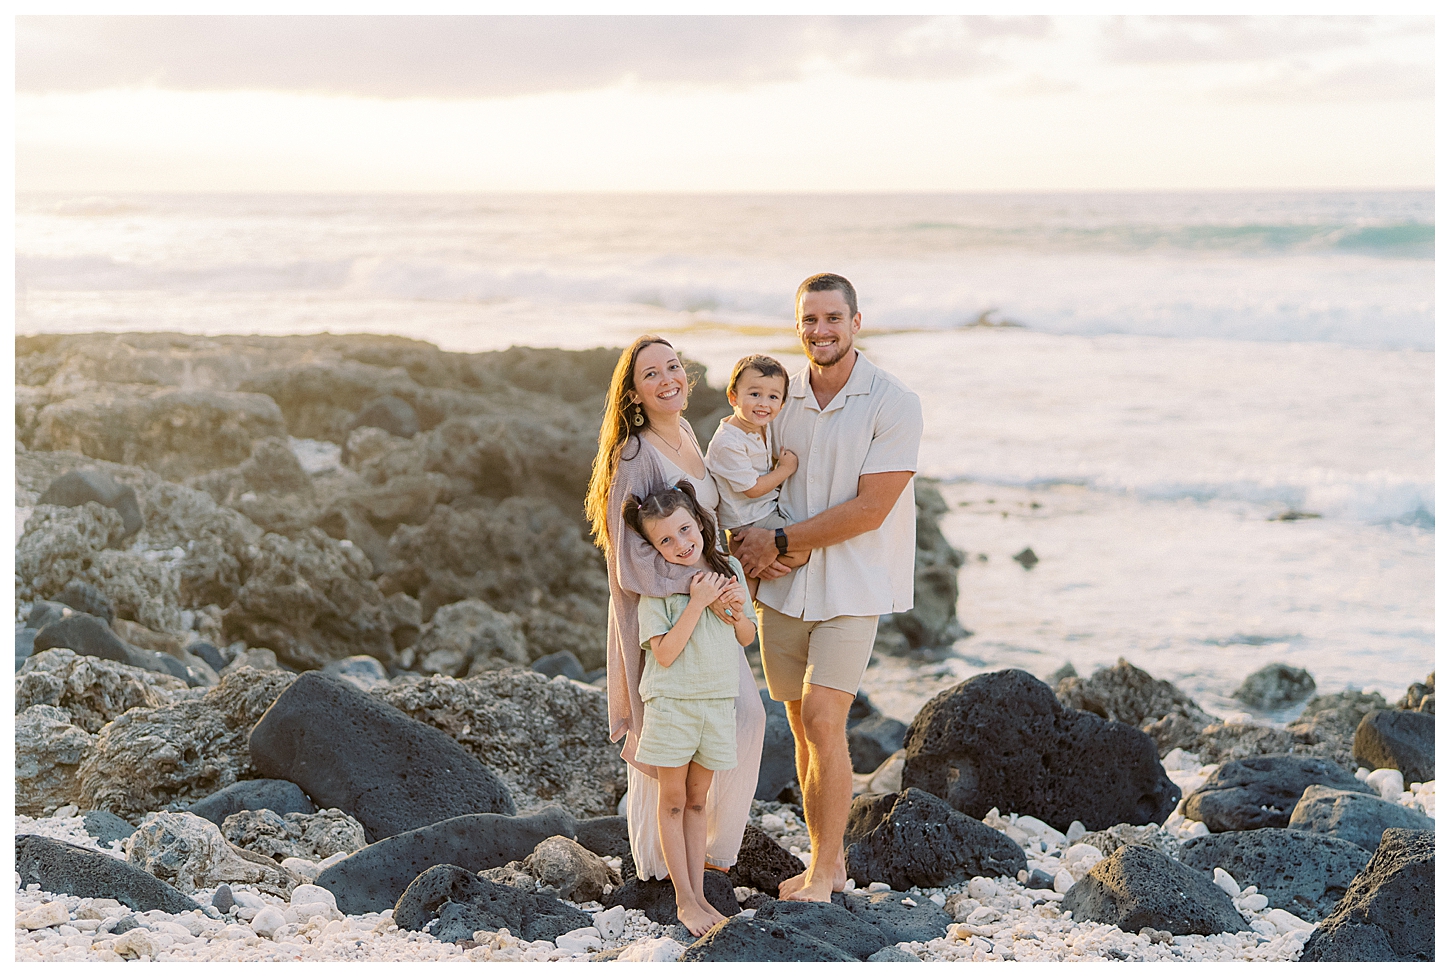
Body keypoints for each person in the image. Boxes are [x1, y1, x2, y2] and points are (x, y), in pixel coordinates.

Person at [733, 273, 923, 903]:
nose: (820, 331)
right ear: (798, 325)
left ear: (856, 321)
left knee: (823, 719)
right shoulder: (775, 401)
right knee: (801, 725)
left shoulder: (892, 402)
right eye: (809, 320)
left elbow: (872, 509)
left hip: (851, 587)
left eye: (832, 319)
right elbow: (744, 481)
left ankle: (822, 869)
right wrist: (750, 542)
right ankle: (829, 863)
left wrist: (782, 542)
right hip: (781, 592)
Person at [584, 335, 767, 884]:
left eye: (673, 367)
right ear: (634, 394)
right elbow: (628, 556)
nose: (668, 379)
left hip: (713, 605)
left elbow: (705, 520)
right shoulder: (635, 455)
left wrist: (743, 563)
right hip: (667, 614)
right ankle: (658, 865)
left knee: (745, 719)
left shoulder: (688, 432)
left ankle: (711, 854)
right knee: (662, 730)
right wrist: (695, 586)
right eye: (651, 374)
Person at [623, 482, 757, 935]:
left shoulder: (729, 567)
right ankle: (684, 901)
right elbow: (663, 653)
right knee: (675, 801)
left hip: (717, 701)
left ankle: (700, 894)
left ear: (699, 521)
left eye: (685, 530)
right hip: (672, 704)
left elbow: (746, 638)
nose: (680, 545)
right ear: (654, 547)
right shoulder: (657, 583)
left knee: (699, 803)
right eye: (666, 540)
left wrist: (735, 612)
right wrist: (698, 603)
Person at [704, 354, 797, 597]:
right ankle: (745, 562)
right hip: (747, 518)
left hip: (762, 510)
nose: (763, 403)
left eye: (773, 397)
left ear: (782, 404)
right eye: (754, 394)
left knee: (750, 592)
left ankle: (747, 586)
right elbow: (753, 488)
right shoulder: (728, 441)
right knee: (801, 550)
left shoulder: (759, 426)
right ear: (733, 396)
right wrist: (785, 470)